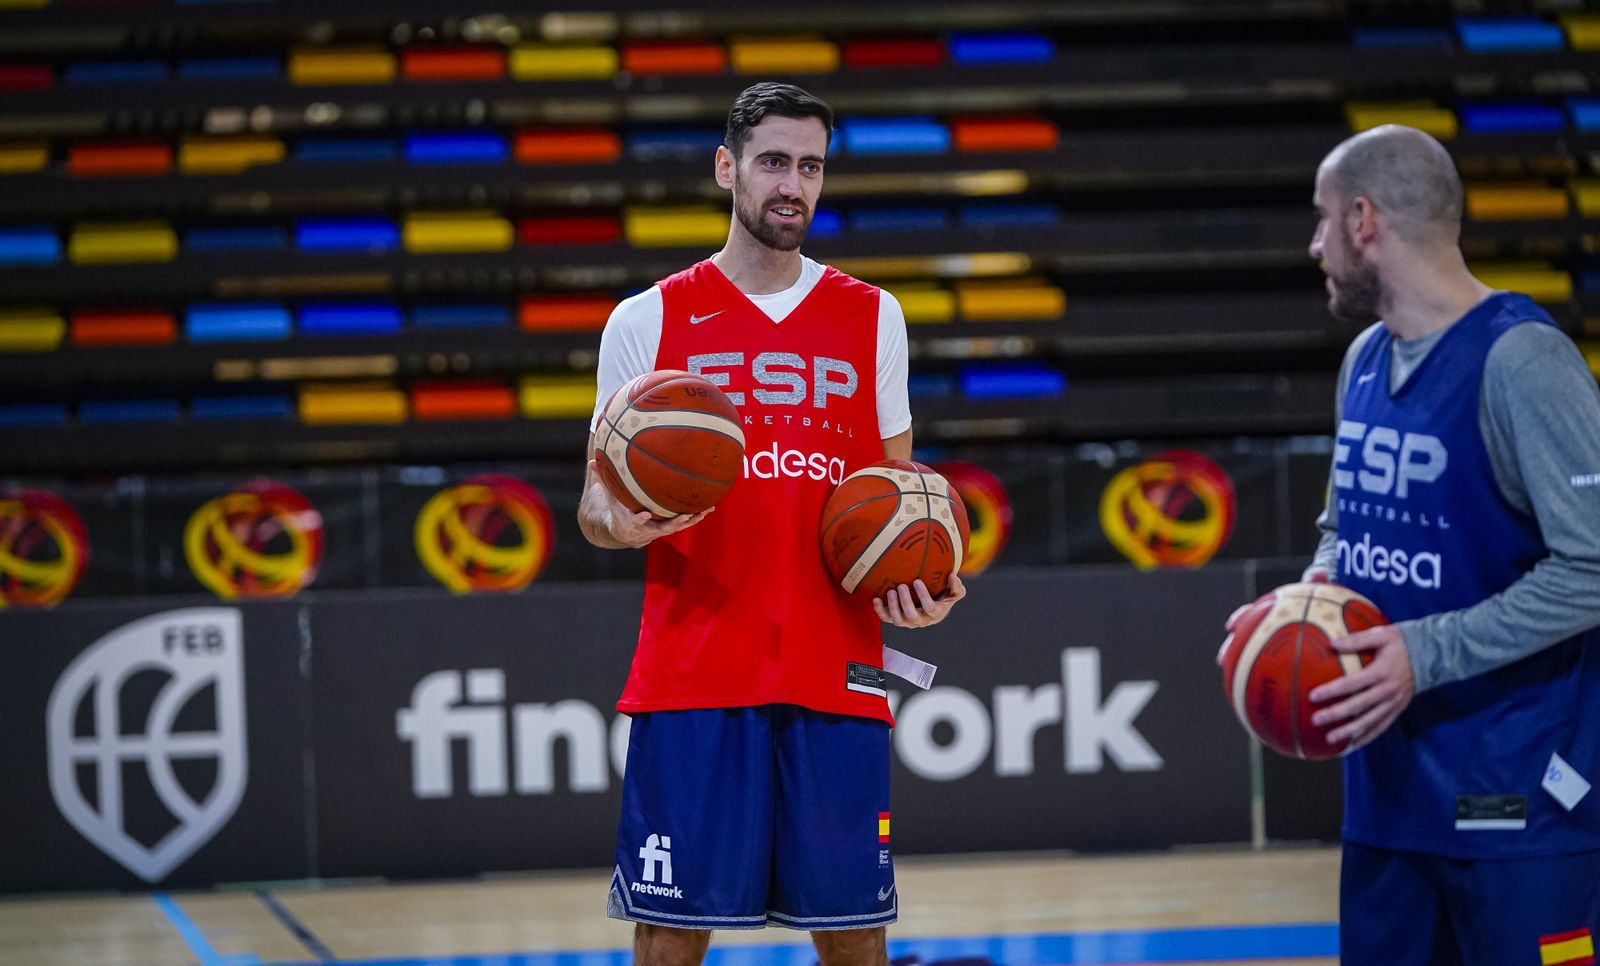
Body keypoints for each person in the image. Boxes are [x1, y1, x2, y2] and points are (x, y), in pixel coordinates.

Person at [578, 82, 966, 966]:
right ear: (728, 169)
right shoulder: (647, 319)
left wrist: (925, 581)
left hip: (840, 667)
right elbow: (594, 508)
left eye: (812, 166)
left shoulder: (875, 317)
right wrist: (618, 520)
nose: (794, 184)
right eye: (774, 162)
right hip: (694, 670)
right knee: (670, 935)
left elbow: (898, 496)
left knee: (855, 934)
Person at [1295, 124, 1600, 962]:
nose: (1314, 245)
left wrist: (1422, 653)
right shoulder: (1363, 359)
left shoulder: (1524, 362)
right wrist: (1302, 610)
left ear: (1364, 220)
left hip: (1515, 801)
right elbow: (1341, 532)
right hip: (1387, 798)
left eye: (1322, 220)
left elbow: (1594, 567)